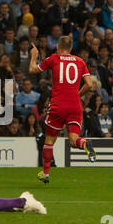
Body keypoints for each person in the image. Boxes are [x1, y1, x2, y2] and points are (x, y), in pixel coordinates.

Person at [29, 37, 96, 184]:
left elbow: (32, 69)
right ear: (71, 48)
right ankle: (84, 143)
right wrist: (77, 94)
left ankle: (45, 173)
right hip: (75, 105)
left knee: (49, 140)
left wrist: (34, 55)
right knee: (73, 140)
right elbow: (90, 85)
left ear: (58, 46)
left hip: (58, 104)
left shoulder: (54, 58)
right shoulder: (80, 61)